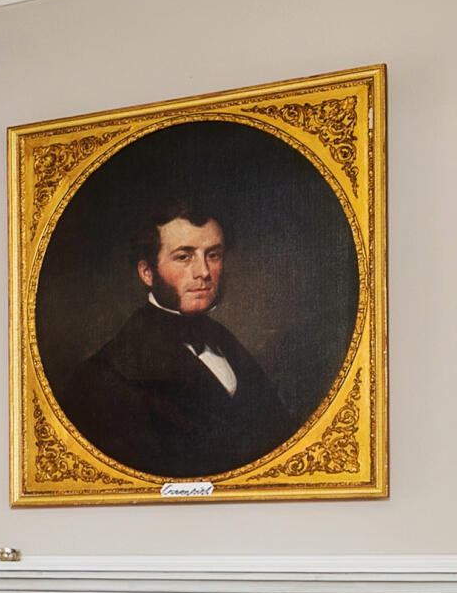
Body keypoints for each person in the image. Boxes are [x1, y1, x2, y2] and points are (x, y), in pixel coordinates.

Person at [54, 198, 301, 479]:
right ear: (147, 272)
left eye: (213, 254)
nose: (204, 272)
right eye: (184, 257)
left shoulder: (225, 341)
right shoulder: (107, 375)